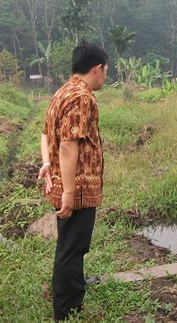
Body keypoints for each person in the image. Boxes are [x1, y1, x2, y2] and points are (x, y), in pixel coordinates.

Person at [38, 40, 108, 320]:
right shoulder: (81, 96)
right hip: (76, 189)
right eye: (106, 70)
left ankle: (75, 287)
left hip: (66, 183)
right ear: (98, 68)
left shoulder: (62, 91)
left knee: (73, 243)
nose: (105, 76)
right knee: (72, 247)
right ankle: (65, 310)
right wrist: (68, 192)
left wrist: (46, 162)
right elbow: (68, 145)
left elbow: (45, 133)